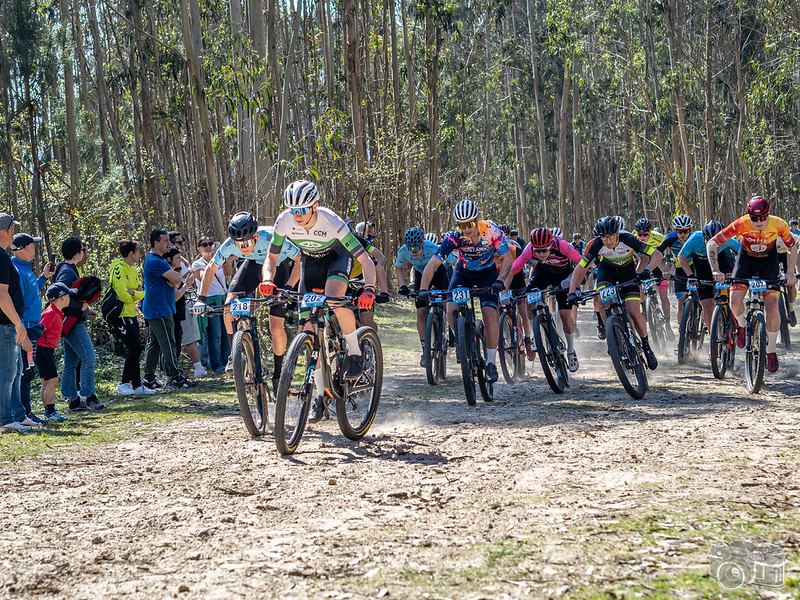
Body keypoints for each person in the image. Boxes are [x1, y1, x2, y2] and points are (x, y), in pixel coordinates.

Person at [259, 180, 377, 422]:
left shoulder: (331, 221)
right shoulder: (284, 221)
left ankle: (355, 352)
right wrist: (268, 279)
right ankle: (320, 396)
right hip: (310, 263)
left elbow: (365, 259)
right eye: (293, 210)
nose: (298, 216)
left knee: (334, 298)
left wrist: (369, 289)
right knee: (309, 331)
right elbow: (271, 258)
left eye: (303, 210)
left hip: (338, 257)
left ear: (315, 206)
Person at [194, 213, 301, 388]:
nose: (243, 248)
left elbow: (299, 261)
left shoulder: (272, 237)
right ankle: (234, 354)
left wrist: (288, 287)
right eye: (239, 244)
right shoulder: (229, 244)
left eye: (248, 243)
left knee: (276, 327)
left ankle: (278, 374)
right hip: (252, 265)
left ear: (256, 236)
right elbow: (210, 269)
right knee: (230, 302)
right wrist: (201, 299)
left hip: (278, 268)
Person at [418, 199, 511, 384]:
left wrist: (500, 280)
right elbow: (433, 263)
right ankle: (463, 339)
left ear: (476, 219)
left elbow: (507, 258)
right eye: (461, 225)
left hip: (487, 273)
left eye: (469, 224)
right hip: (463, 273)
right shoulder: (455, 236)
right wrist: (423, 289)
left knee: (489, 315)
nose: (466, 229)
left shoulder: (491, 231)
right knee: (450, 309)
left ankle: (491, 363)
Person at [707, 196, 797, 372]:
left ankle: (770, 351)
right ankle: (741, 326)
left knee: (772, 306)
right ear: (749, 216)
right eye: (754, 218)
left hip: (769, 263)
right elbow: (712, 242)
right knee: (734, 301)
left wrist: (790, 272)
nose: (759, 222)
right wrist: (715, 269)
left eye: (763, 217)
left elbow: (792, 246)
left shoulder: (779, 224)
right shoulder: (741, 223)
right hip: (746, 261)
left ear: (768, 214)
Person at [567, 215, 661, 370]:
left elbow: (657, 254)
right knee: (603, 302)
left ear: (617, 233)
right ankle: (612, 337)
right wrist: (572, 291)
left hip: (628, 272)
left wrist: (646, 270)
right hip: (607, 273)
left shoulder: (628, 239)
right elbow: (580, 268)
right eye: (604, 237)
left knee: (633, 311)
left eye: (611, 236)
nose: (608, 240)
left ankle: (646, 346)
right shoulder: (597, 244)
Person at [513, 227, 583, 370]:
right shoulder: (530, 249)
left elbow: (582, 263)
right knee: (528, 300)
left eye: (545, 250)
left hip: (563, 275)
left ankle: (570, 350)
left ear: (551, 245)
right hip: (543, 273)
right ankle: (535, 335)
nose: (541, 254)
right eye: (538, 251)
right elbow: (515, 267)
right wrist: (504, 287)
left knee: (565, 316)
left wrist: (571, 279)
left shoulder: (561, 245)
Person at [141, 229, 195, 389]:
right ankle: (175, 377)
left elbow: (176, 281)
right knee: (169, 343)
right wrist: (174, 280)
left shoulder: (159, 260)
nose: (169, 244)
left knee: (155, 344)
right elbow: (177, 278)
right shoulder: (154, 261)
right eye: (166, 240)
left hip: (161, 308)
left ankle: (148, 378)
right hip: (159, 309)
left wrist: (174, 280)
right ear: (156, 242)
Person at [54, 237, 103, 410]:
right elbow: (59, 295)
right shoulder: (67, 271)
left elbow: (72, 295)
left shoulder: (67, 269)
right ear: (77, 253)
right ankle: (88, 397)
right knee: (89, 357)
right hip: (72, 323)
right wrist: (80, 306)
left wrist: (86, 309)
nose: (85, 253)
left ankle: (73, 399)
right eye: (83, 250)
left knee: (71, 361)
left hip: (70, 321)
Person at [0, 214, 38, 432]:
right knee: (7, 372)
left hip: (9, 324)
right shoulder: (1, 258)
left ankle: (18, 415)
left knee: (15, 371)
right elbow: (2, 294)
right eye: (12, 229)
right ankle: (4, 419)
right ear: (7, 231)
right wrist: (18, 323)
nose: (13, 232)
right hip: (5, 324)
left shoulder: (3, 257)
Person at [11, 232, 55, 422]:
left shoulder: (25, 269)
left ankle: (24, 413)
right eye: (33, 246)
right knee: (24, 372)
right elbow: (16, 304)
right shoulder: (17, 271)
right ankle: (23, 414)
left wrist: (44, 277)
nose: (35, 249)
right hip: (25, 330)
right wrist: (23, 334)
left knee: (27, 371)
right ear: (26, 248)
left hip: (30, 328)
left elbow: (30, 293)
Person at [396, 227, 449, 366]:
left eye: (417, 248)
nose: (414, 251)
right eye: (411, 248)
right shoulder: (403, 251)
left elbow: (454, 261)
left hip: (438, 274)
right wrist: (402, 285)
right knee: (421, 312)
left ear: (423, 244)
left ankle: (453, 332)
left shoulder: (433, 248)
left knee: (446, 305)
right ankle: (425, 349)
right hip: (420, 275)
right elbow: (399, 268)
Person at [109, 239, 154, 396]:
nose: (140, 254)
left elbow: (142, 292)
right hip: (121, 315)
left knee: (135, 348)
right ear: (130, 253)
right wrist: (136, 293)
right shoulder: (118, 269)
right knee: (135, 348)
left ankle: (137, 386)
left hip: (132, 313)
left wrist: (134, 292)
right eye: (138, 251)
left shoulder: (133, 269)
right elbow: (122, 295)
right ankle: (123, 383)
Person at [677, 220, 740, 331]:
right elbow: (681, 257)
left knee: (729, 293)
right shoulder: (695, 238)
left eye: (716, 241)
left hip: (722, 261)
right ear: (703, 237)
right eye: (708, 240)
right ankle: (712, 335)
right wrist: (690, 275)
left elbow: (744, 253)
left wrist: (736, 272)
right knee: (707, 305)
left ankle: (732, 318)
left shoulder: (727, 240)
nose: (712, 244)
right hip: (701, 266)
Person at [649, 215, 695, 335]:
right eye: (680, 231)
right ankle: (681, 331)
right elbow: (658, 253)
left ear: (690, 230)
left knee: (699, 299)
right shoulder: (669, 238)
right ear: (675, 231)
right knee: (681, 301)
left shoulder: (694, 238)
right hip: (680, 269)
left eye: (686, 231)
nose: (683, 234)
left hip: (695, 268)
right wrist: (662, 269)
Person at [169, 231, 206, 378]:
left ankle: (177, 371)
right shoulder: (175, 261)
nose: (183, 245)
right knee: (189, 337)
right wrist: (183, 261)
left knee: (185, 336)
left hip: (183, 300)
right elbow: (189, 276)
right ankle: (197, 367)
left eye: (183, 242)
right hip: (180, 302)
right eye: (179, 243)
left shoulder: (178, 260)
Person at [36, 283, 76, 420]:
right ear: (62, 298)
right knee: (52, 380)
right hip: (44, 350)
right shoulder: (51, 313)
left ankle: (47, 411)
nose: (70, 298)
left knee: (46, 381)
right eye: (68, 295)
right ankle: (50, 412)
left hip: (45, 350)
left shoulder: (55, 311)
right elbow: (40, 329)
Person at [192, 237, 230, 374]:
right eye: (204, 245)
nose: (208, 247)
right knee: (215, 334)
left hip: (223, 299)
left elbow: (229, 272)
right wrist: (212, 264)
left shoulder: (218, 260)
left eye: (210, 244)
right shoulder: (197, 264)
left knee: (226, 332)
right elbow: (202, 277)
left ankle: (227, 360)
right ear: (199, 248)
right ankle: (215, 364)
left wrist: (222, 258)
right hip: (209, 300)